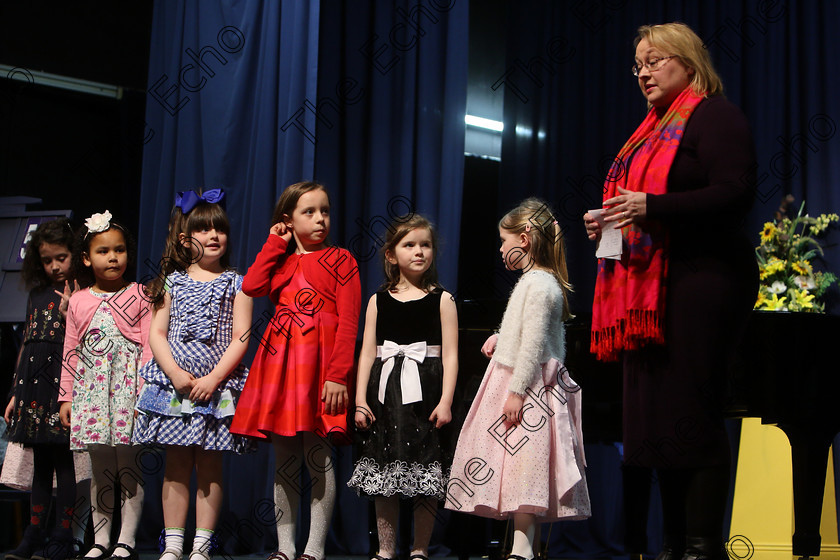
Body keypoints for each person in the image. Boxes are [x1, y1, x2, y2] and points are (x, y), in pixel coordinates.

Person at [583, 22, 758, 560]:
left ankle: (703, 548)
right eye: (638, 64)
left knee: (693, 418)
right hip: (645, 295)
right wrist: (610, 221)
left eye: (655, 60)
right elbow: (636, 205)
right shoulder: (646, 133)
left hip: (701, 288)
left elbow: (735, 193)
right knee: (655, 424)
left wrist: (650, 208)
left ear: (688, 62)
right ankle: (670, 545)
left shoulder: (714, 116)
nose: (642, 71)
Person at [445, 198, 590, 560]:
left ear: (524, 238)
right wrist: (500, 335)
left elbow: (534, 344)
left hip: (526, 387)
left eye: (504, 239)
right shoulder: (535, 282)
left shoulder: (539, 284)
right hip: (521, 382)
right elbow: (524, 329)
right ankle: (520, 546)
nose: (500, 247)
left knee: (526, 467)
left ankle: (523, 547)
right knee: (517, 467)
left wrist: (517, 392)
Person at [230, 182, 361, 560]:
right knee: (285, 458)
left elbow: (350, 321)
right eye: (309, 212)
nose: (321, 218)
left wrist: (337, 374)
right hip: (283, 364)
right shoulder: (282, 259)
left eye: (325, 210)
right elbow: (252, 286)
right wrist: (274, 243)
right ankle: (285, 548)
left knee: (317, 455)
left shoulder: (341, 259)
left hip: (320, 366)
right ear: (288, 220)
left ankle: (314, 548)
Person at [132, 190, 254, 560]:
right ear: (186, 239)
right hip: (176, 387)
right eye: (204, 230)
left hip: (215, 387)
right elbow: (157, 333)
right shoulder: (171, 282)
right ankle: (172, 544)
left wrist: (213, 379)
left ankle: (202, 544)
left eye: (220, 229)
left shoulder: (238, 283)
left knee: (210, 463)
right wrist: (175, 374)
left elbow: (241, 337)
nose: (214, 235)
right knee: (177, 463)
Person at [347, 214, 458, 560]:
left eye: (425, 245)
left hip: (426, 390)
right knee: (385, 470)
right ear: (392, 255)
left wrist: (446, 401)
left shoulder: (443, 299)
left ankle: (420, 548)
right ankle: (385, 548)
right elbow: (367, 353)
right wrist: (361, 400)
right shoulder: (378, 300)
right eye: (409, 245)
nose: (419, 252)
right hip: (386, 392)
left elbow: (452, 356)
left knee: (426, 469)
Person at [58, 211, 152, 560]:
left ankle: (126, 540)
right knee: (100, 469)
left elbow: (148, 348)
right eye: (103, 251)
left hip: (128, 389)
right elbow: (70, 349)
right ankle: (100, 539)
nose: (113, 257)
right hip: (91, 391)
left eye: (120, 249)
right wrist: (66, 396)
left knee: (128, 465)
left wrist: (145, 391)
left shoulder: (140, 294)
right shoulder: (80, 299)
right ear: (86, 257)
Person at [4, 219, 80, 560]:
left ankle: (62, 537)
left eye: (61, 258)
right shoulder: (36, 294)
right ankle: (33, 535)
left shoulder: (81, 292)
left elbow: (86, 343)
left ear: (74, 255)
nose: (54, 266)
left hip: (61, 386)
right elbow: (27, 344)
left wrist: (70, 312)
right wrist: (14, 394)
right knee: (38, 466)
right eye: (47, 260)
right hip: (33, 387)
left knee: (64, 464)